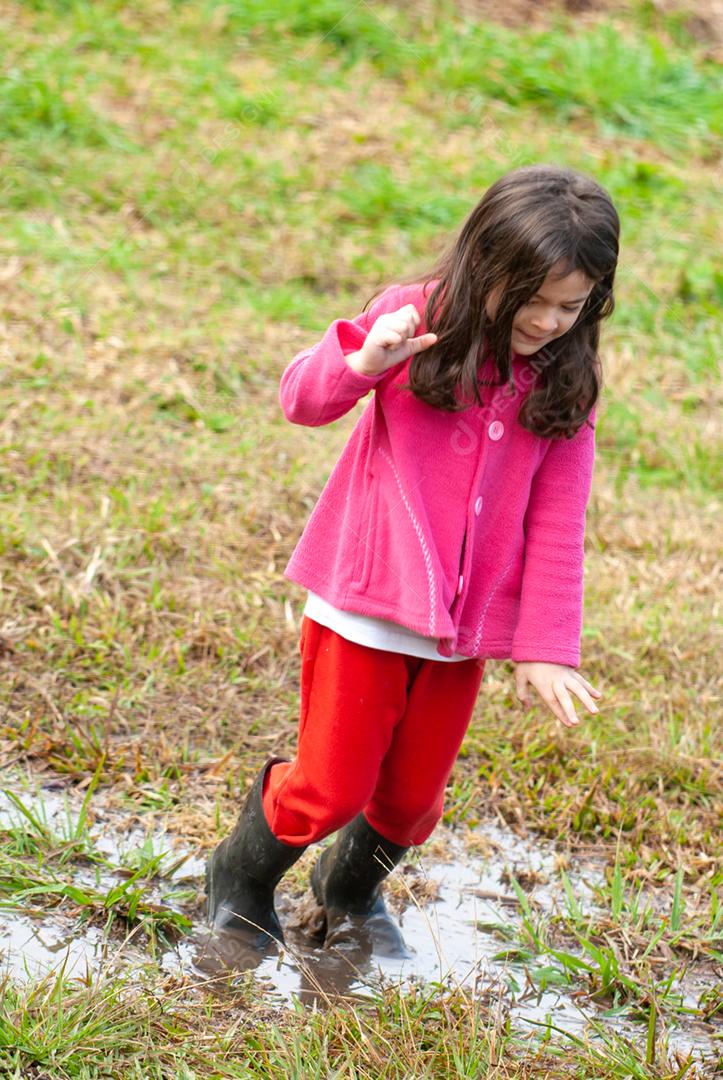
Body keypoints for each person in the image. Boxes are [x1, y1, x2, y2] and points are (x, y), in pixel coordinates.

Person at [206, 163, 619, 958]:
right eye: (529, 299)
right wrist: (363, 361)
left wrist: (543, 646)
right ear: (483, 266)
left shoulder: (568, 377)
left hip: (458, 633)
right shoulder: (412, 319)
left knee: (411, 804)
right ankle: (241, 877)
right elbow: (302, 400)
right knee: (329, 790)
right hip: (364, 603)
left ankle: (347, 894)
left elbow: (558, 521)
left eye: (570, 306)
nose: (547, 321)